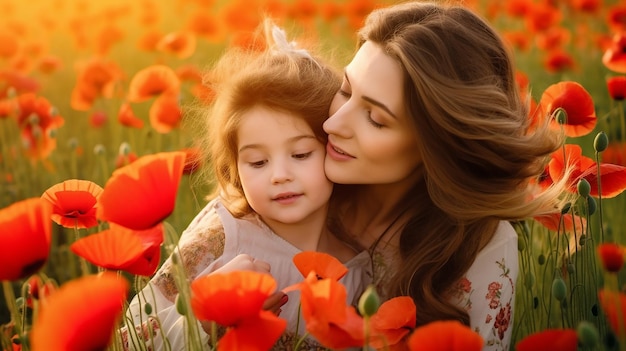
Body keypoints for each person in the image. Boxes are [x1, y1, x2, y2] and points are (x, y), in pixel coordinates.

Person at [322, 1, 569, 350]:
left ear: (437, 145)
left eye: (376, 119)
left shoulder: (480, 250)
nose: (332, 124)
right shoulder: (289, 168)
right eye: (345, 90)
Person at [123, 20, 371, 350]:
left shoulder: (359, 264)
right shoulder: (223, 235)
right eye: (257, 162)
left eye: (299, 154)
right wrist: (205, 318)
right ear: (235, 170)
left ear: (335, 148)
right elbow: (131, 338)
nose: (279, 175)